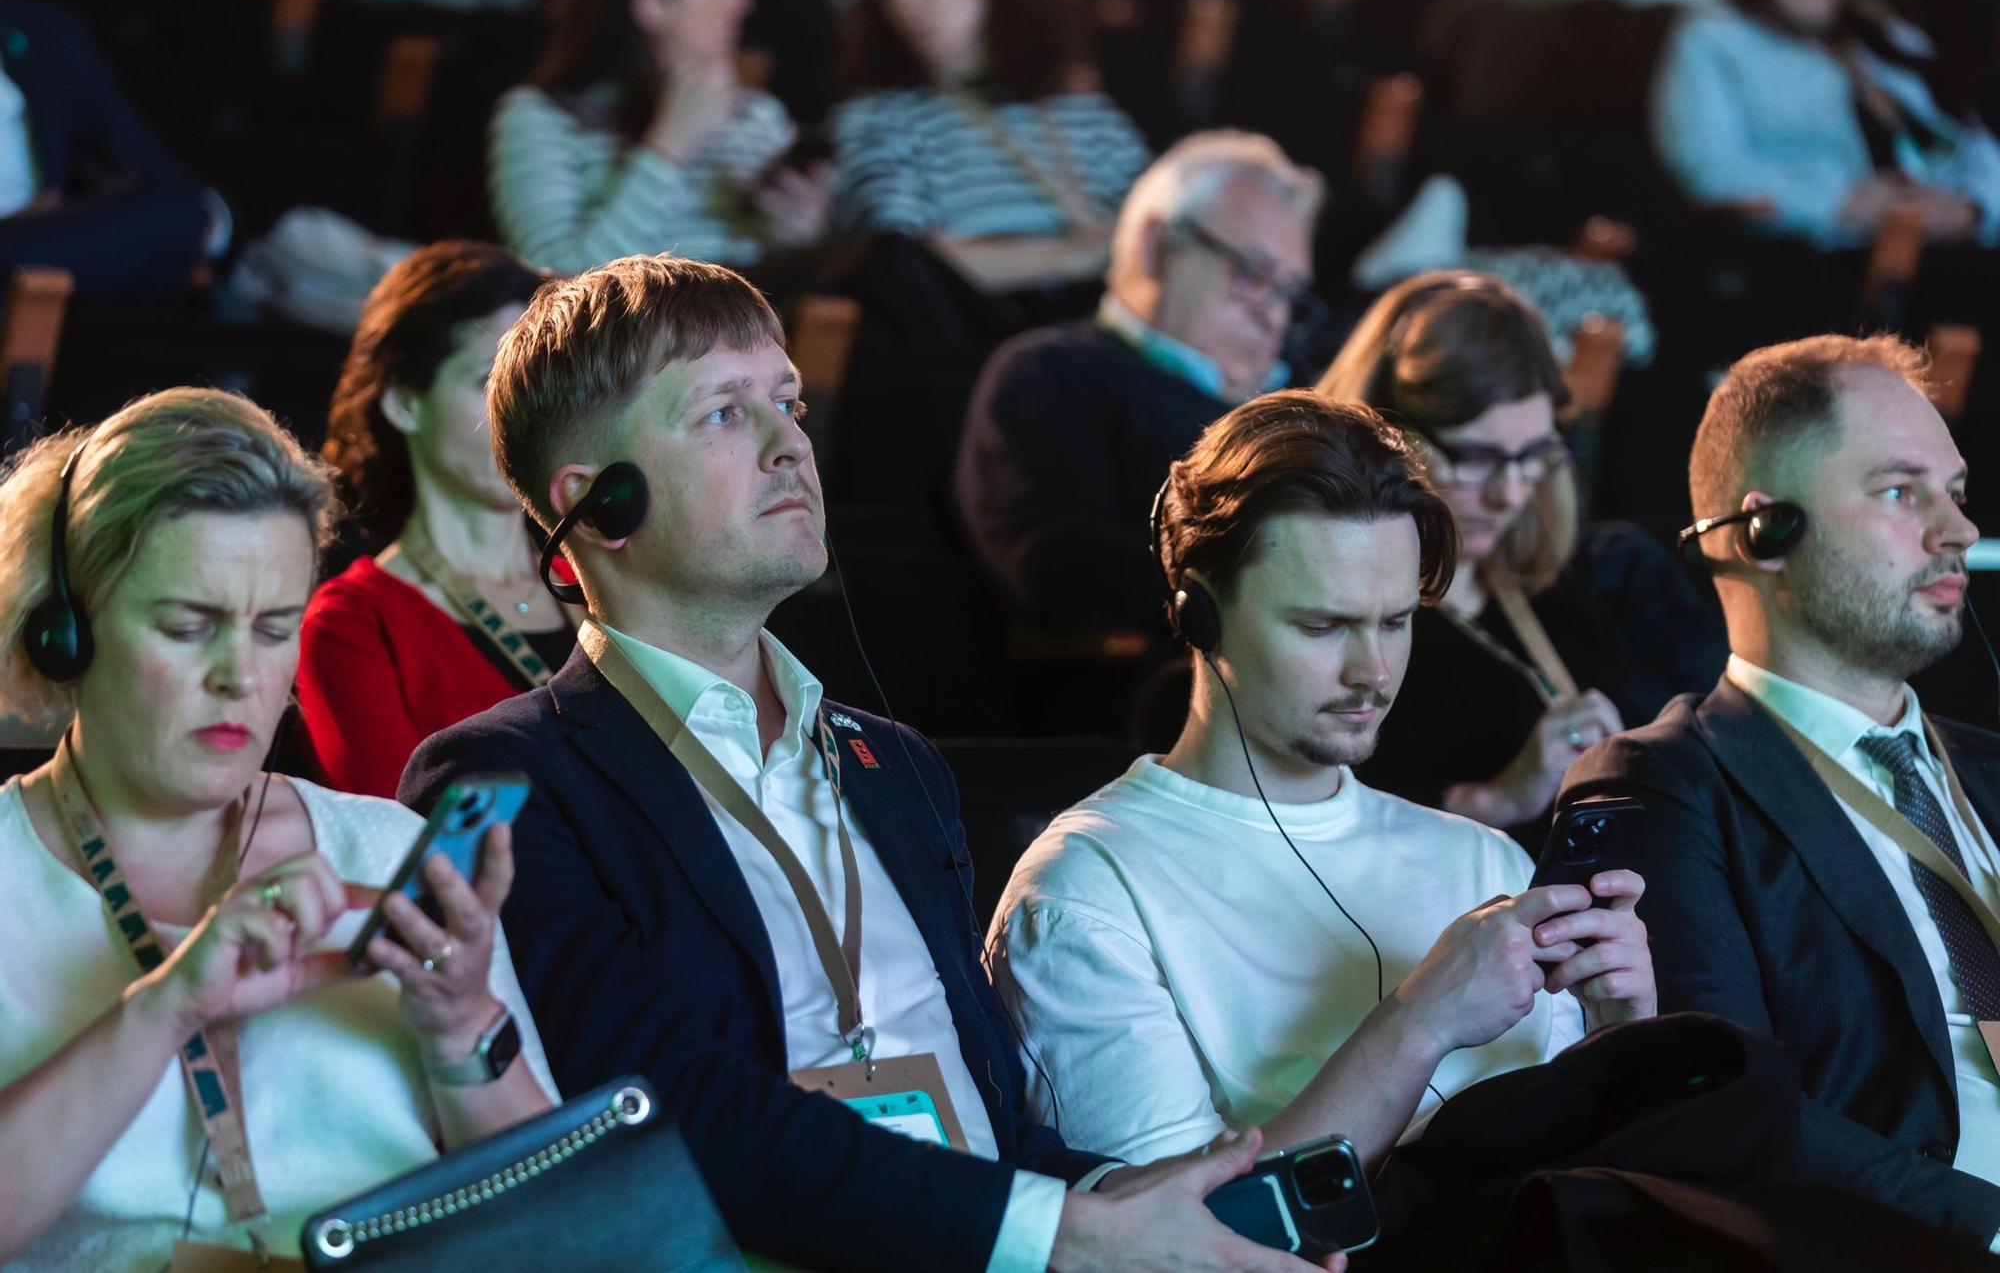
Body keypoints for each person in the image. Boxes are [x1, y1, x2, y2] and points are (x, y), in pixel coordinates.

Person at [398, 253, 1345, 1273]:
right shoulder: (513, 778)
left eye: (788, 402)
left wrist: (1125, 1200)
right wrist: (1070, 1236)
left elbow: (990, 1126)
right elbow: (667, 1114)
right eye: (723, 412)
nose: (788, 447)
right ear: (599, 503)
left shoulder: (892, 763)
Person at [987, 392, 1656, 1171]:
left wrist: (1625, 1034)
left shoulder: (1488, 862)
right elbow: (1179, 1244)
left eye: (1397, 622)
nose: (1372, 673)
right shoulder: (1086, 899)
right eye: (1322, 626)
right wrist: (1418, 1023)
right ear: (1198, 615)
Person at [0, 388, 555, 1271]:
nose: (239, 677)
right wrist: (167, 1006)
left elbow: (562, 1231)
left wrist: (462, 1030)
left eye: (273, 630)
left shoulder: (381, 848)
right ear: (65, 632)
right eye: (189, 626)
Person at [1559, 334, 2000, 1250]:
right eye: (1899, 491)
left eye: (1954, 492)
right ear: (1766, 532)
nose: (1957, 529)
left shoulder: (1990, 770)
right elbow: (1729, 1102)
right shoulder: (1668, 783)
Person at [1317, 272, 1724, 856]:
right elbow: (1307, 827)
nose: (1510, 495)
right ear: (1384, 441)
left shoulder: (1586, 578)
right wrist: (1492, 801)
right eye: (1476, 459)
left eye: (1532, 458)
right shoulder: (1336, 625)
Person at [954, 131, 1322, 639]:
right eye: (1252, 273)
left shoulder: (1311, 392)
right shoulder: (1050, 375)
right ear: (1156, 247)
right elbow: (1061, 574)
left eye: (1289, 292)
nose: (1273, 316)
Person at [302, 241, 572, 799]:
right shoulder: (354, 622)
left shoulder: (597, 575)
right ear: (405, 404)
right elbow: (400, 842)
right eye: (489, 383)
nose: (526, 413)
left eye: (538, 382)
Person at [488, 0, 828, 275]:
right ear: (652, 4)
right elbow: (556, 284)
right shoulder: (540, 118)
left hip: (755, 324)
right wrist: (668, 146)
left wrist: (803, 231)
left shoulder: (758, 115)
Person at [831, 0, 1153, 294]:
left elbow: (1167, 235)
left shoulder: (1084, 112)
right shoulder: (879, 118)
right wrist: (1082, 255)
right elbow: (902, 267)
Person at [1651, 0, 2000, 248]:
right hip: (1804, 270)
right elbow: (1711, 171)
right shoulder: (1713, 37)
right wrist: (1839, 206)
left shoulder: (1881, 36)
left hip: (1945, 253)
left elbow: (1977, 144)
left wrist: (1973, 208)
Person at [0, 0, 228, 299]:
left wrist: (207, 219)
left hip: (47, 244)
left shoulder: (42, 31)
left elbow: (144, 157)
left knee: (177, 219)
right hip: (24, 247)